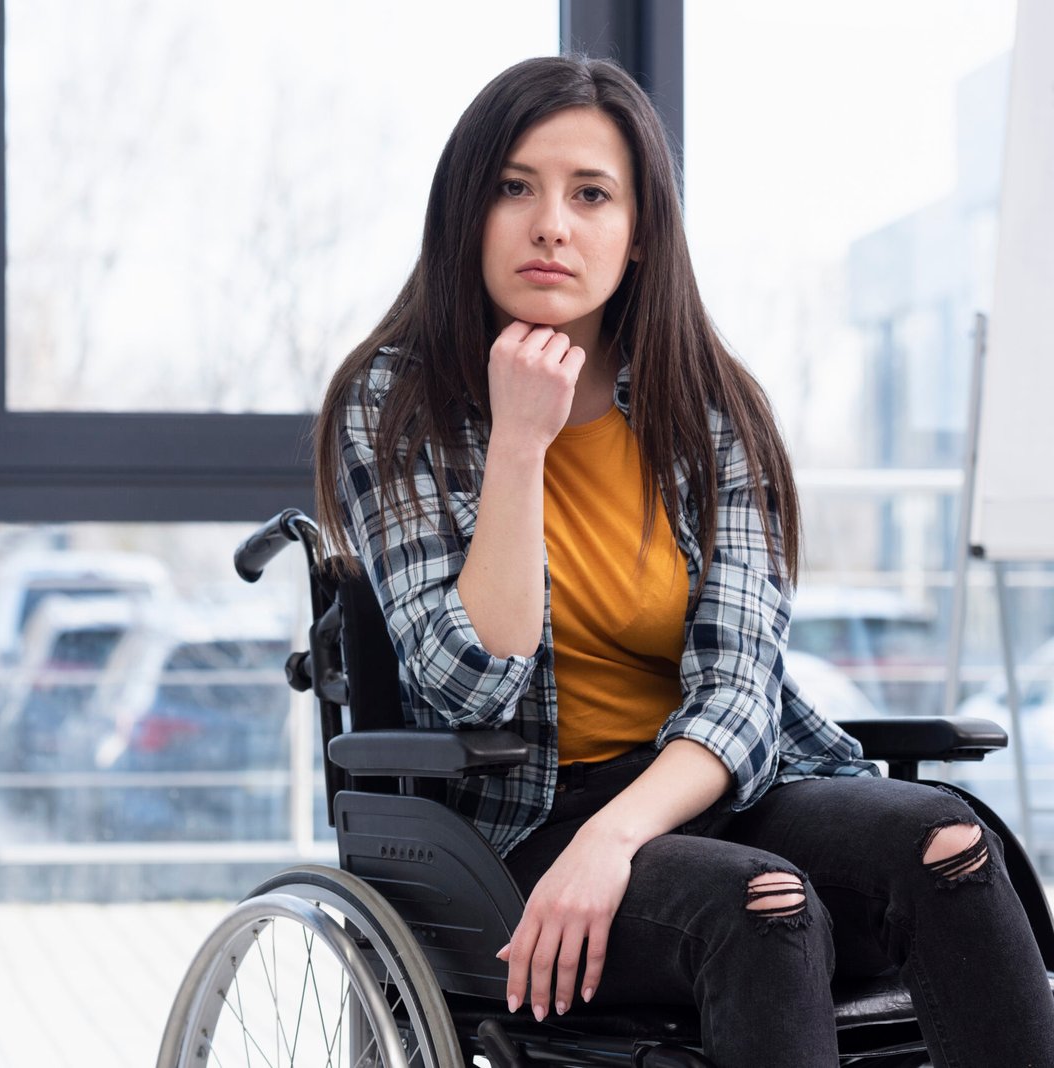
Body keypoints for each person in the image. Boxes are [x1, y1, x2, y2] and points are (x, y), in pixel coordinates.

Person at [313, 55, 1054, 1067]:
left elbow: (741, 691)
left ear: (639, 233)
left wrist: (615, 838)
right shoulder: (392, 403)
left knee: (946, 840)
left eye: (590, 195)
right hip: (514, 822)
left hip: (701, 789)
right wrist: (520, 443)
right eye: (513, 188)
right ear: (464, 213)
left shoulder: (707, 409)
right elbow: (466, 686)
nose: (551, 225)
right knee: (758, 906)